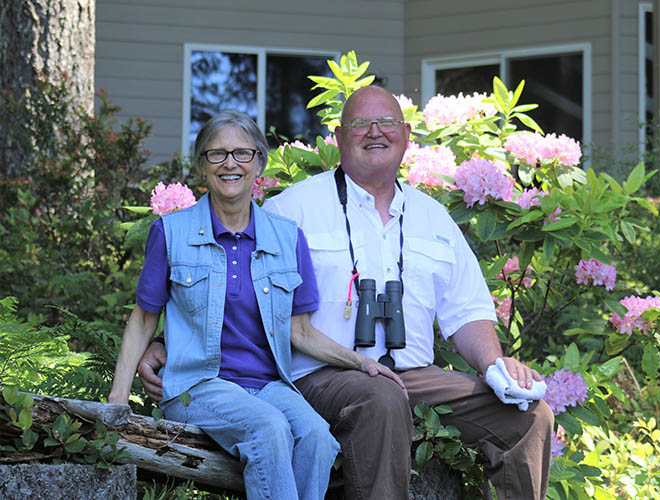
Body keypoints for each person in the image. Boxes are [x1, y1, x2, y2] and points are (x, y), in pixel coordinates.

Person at [138, 88, 554, 499]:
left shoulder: (434, 218)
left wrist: (497, 366)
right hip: (321, 377)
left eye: (387, 123)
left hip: (413, 376)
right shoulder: (293, 209)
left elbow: (467, 312)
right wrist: (166, 342)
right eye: (360, 124)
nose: (375, 132)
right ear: (338, 137)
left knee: (528, 415)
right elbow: (232, 291)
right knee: (380, 397)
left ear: (406, 135)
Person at [109, 109, 405, 500]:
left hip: (266, 385)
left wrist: (361, 361)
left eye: (242, 153)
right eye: (217, 154)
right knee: (268, 429)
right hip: (197, 386)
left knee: (317, 438)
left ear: (259, 163)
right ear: (202, 165)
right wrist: (116, 401)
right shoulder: (172, 232)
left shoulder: (287, 238)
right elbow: (144, 320)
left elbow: (301, 332)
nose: (230, 163)